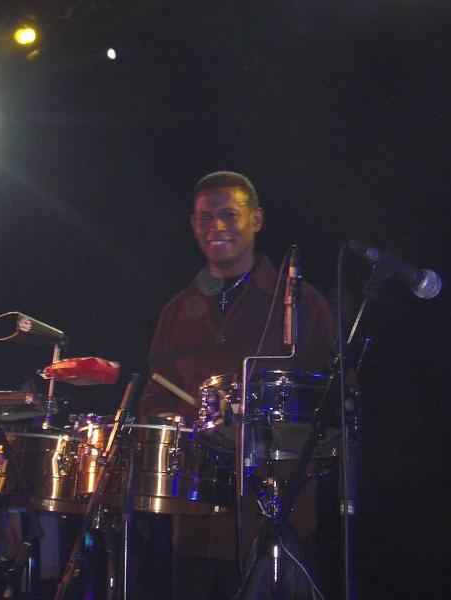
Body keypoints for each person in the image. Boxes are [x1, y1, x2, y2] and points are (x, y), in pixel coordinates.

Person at [138, 171, 336, 599]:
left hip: (280, 521)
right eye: (205, 218)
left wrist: (265, 431)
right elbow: (154, 399)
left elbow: (336, 400)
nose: (216, 226)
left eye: (229, 214)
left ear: (256, 219)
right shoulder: (176, 312)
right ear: (193, 226)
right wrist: (186, 425)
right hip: (194, 519)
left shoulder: (301, 303)